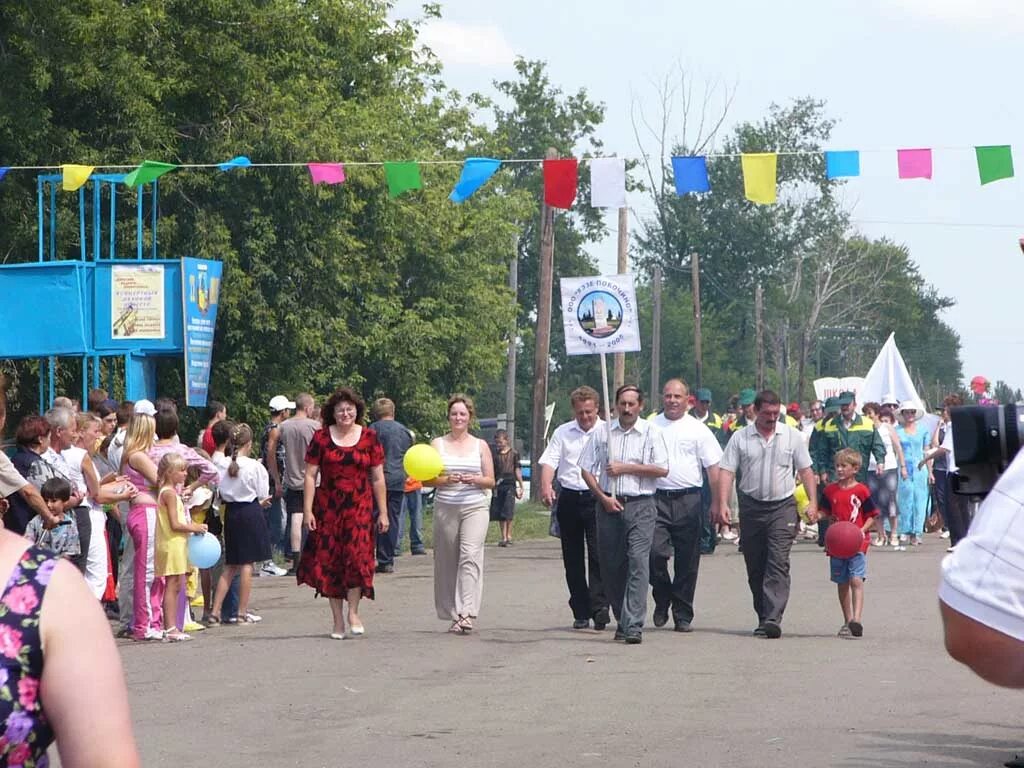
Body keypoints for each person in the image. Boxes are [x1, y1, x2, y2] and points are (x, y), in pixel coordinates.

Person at [717, 389, 818, 639]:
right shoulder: (741, 438)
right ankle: (763, 615)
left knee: (778, 561)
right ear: (755, 411)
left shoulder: (791, 436)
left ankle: (773, 617)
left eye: (776, 413)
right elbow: (727, 472)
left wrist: (813, 502)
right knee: (756, 563)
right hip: (751, 506)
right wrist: (722, 503)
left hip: (782, 507)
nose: (772, 418)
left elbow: (806, 471)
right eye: (767, 414)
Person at [580, 384, 669, 645]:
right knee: (611, 566)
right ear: (616, 405)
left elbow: (662, 469)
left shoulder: (651, 432)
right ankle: (622, 616)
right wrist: (603, 497)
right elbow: (586, 469)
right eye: (623, 404)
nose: (627, 409)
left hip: (641, 505)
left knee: (638, 561)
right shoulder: (603, 433)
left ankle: (633, 624)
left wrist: (626, 468)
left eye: (632, 404)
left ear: (640, 406)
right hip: (609, 506)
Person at [297, 388, 388, 639]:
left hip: (360, 508)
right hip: (328, 510)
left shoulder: (370, 437)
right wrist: (307, 511)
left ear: (357, 411)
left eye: (350, 409)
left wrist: (383, 512)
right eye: (340, 410)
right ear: (332, 413)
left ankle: (354, 612)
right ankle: (337, 621)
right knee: (332, 564)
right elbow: (309, 475)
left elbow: (378, 478)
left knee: (358, 561)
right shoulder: (321, 438)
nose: (345, 414)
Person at [650, 379, 722, 633]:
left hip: (689, 499)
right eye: (668, 396)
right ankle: (662, 595)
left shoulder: (698, 430)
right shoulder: (650, 425)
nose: (672, 401)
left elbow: (713, 468)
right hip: (656, 499)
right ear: (662, 397)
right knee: (654, 554)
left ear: (687, 399)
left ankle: (682, 613)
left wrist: (717, 501)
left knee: (687, 560)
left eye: (677, 396)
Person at [538, 386, 609, 630]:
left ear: (597, 409)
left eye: (589, 412)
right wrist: (546, 485)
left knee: (599, 554)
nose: (585, 417)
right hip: (569, 497)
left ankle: (600, 606)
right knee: (573, 557)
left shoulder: (607, 431)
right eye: (580, 413)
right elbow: (549, 461)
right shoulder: (563, 432)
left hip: (597, 496)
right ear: (574, 411)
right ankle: (580, 609)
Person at [424, 395, 495, 635]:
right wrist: (446, 479)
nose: (458, 418)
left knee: (470, 555)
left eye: (462, 414)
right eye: (454, 413)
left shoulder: (480, 445)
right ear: (448, 417)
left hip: (475, 506)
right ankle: (452, 613)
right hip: (446, 507)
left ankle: (467, 612)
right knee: (447, 561)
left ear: (470, 417)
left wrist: (476, 480)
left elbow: (491, 480)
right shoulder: (437, 444)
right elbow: (427, 478)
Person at [208, 424, 273, 627]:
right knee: (247, 564)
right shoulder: (254, 466)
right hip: (250, 511)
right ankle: (242, 612)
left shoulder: (222, 465)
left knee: (230, 565)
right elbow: (262, 492)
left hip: (232, 513)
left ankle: (215, 611)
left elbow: (218, 489)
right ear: (250, 443)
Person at [820, 448, 878, 638]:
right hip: (837, 544)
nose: (839, 469)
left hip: (857, 544)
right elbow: (824, 512)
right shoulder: (830, 491)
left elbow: (872, 516)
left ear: (855, 468)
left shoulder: (861, 490)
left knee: (856, 579)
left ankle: (857, 620)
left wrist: (861, 531)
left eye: (843, 466)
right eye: (837, 466)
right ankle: (847, 620)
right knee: (842, 581)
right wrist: (814, 515)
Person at [154, 453, 207, 641]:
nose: (185, 474)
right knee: (172, 584)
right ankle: (169, 627)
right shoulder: (168, 493)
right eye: (181, 470)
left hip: (177, 542)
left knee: (177, 583)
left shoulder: (171, 492)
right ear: (170, 472)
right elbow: (175, 523)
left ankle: (173, 625)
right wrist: (194, 527)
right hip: (172, 542)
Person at [368, 397, 413, 573]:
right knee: (392, 518)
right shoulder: (404, 431)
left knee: (372, 517)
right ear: (393, 412)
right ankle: (386, 559)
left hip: (375, 479)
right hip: (396, 479)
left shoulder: (371, 430)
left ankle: (369, 555)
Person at [279, 393, 321, 574]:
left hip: (292, 478)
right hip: (314, 479)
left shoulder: (284, 427)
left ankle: (296, 559)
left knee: (295, 518)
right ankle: (315, 557)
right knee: (315, 517)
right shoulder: (315, 427)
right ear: (308, 408)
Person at [2, 416, 60, 534]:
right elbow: (31, 492)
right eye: (49, 437)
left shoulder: (15, 459)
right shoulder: (35, 464)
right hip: (28, 526)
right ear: (40, 439)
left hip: (11, 523)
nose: (49, 441)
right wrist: (49, 517)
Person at [862, 403, 906, 549]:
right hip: (871, 469)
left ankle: (894, 533)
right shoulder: (866, 428)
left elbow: (898, 447)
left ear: (877, 414)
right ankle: (881, 535)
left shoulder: (886, 428)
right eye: (866, 413)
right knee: (875, 503)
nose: (868, 416)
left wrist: (903, 466)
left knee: (891, 501)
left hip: (889, 467)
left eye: (870, 413)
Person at [260, 394, 294, 573]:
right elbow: (271, 455)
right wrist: (277, 481)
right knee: (277, 520)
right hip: (274, 479)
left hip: (273, 477)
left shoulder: (269, 427)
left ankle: (270, 559)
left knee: (276, 518)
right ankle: (269, 560)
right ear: (284, 412)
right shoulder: (275, 430)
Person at [895, 399, 930, 546]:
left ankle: (917, 532)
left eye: (912, 412)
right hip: (903, 467)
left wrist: (931, 471)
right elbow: (895, 450)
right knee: (905, 497)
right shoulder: (897, 431)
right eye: (907, 412)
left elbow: (927, 451)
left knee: (920, 499)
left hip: (920, 468)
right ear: (902, 413)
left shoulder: (923, 430)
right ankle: (905, 530)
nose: (910, 414)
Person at [25, 478, 82, 560]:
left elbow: (70, 553)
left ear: (65, 501)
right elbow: (26, 543)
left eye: (53, 501)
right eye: (45, 500)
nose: (48, 505)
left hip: (58, 568)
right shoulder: (36, 522)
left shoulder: (70, 525)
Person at [490, 429, 523, 547]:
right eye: (497, 443)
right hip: (498, 483)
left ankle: (509, 535)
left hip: (510, 483)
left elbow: (517, 469)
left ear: (507, 440)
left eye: (501, 442)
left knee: (508, 509)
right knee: (500, 510)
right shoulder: (495, 455)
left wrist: (520, 485)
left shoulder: (514, 453)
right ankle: (503, 536)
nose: (499, 445)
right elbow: (492, 470)